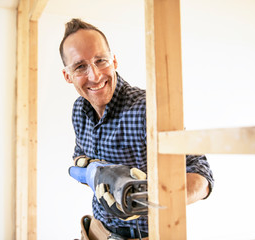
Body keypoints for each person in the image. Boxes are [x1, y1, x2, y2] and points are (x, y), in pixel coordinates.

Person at [60, 18, 214, 240]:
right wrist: (93, 173)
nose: (94, 75)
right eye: (80, 66)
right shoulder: (79, 110)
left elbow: (201, 175)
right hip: (96, 231)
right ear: (68, 76)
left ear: (114, 60)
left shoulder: (148, 109)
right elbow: (80, 158)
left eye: (100, 60)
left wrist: (149, 196)